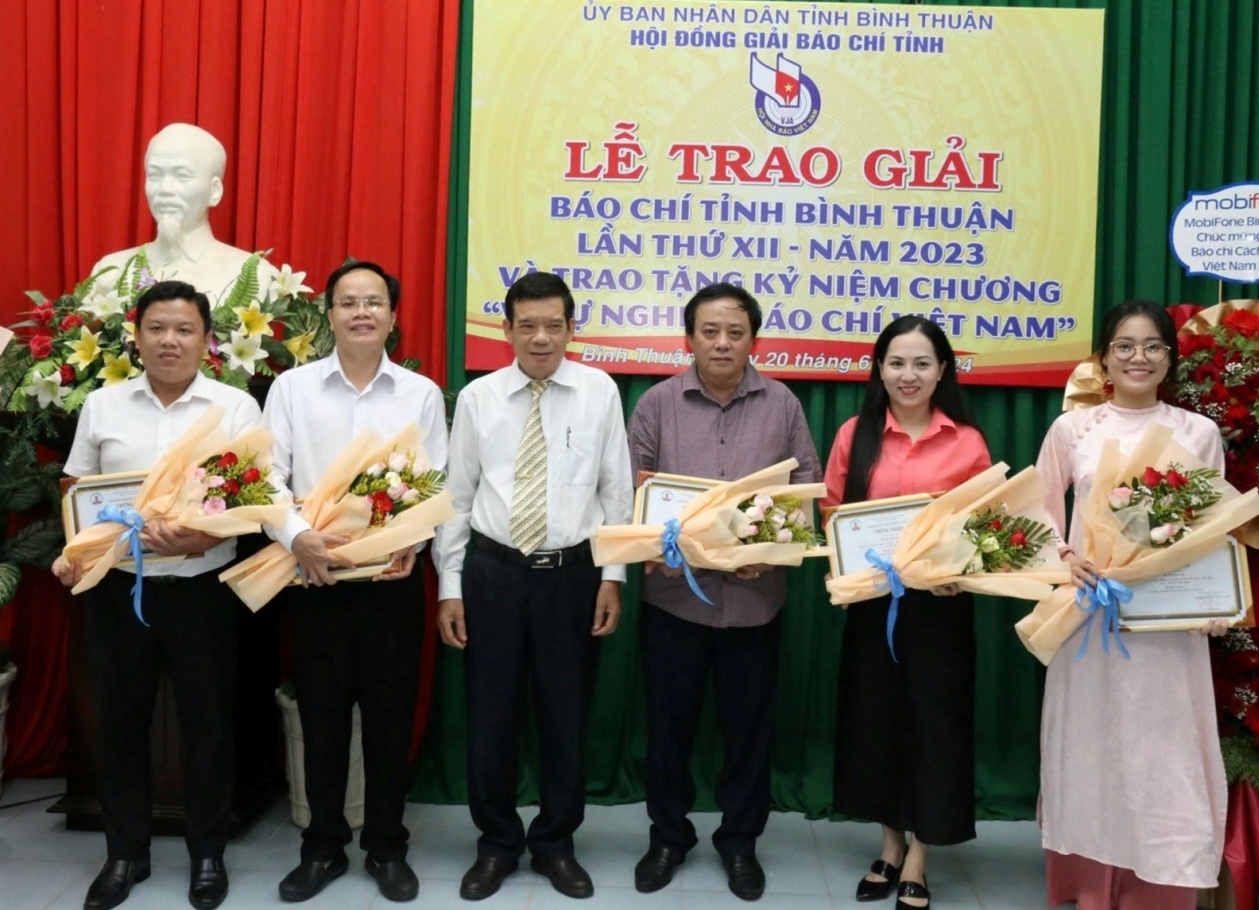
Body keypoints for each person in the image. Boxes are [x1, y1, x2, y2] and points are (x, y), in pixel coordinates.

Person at [53, 280, 263, 910]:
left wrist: (199, 536)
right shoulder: (104, 405)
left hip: (204, 593)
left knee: (210, 727)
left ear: (206, 340)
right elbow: (74, 485)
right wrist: (78, 546)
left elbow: (258, 497)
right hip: (119, 591)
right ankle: (126, 855)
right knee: (118, 725)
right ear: (137, 336)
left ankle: (207, 856)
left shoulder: (235, 409)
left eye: (184, 330)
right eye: (157, 329)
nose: (170, 341)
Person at [434, 271, 632, 901]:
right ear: (507, 330)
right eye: (528, 325)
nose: (541, 338)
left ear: (572, 328)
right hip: (492, 575)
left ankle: (555, 843)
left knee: (565, 715)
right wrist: (450, 585)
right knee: (490, 716)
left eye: (554, 325)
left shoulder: (600, 392)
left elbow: (615, 492)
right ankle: (495, 843)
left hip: (570, 578)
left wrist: (613, 576)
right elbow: (456, 499)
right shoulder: (478, 398)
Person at [627, 283, 821, 902]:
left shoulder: (783, 404)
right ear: (689, 338)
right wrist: (653, 541)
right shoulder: (657, 404)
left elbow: (807, 495)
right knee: (668, 729)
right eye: (709, 331)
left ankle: (740, 842)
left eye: (735, 333)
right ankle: (667, 838)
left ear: (752, 341)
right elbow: (632, 495)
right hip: (674, 605)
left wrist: (767, 555)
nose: (722, 343)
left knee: (749, 731)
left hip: (753, 603)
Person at [265, 260, 449, 903]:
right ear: (330, 314)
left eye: (374, 302)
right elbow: (267, 479)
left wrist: (415, 545)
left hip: (391, 584)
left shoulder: (418, 394)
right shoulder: (292, 388)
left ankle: (387, 846)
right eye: (348, 302)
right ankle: (322, 846)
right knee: (321, 719)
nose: (362, 312)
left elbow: (437, 481)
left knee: (391, 719)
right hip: (314, 580)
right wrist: (297, 538)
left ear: (394, 317)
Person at [1035, 300, 1227, 910]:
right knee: (1090, 753)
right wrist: (1067, 558)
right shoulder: (1073, 430)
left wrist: (1213, 602)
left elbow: (1212, 532)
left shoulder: (1199, 432)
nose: (1138, 357)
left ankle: (1162, 888)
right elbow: (1036, 515)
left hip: (1168, 633)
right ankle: (1091, 886)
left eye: (1151, 346)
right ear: (1102, 360)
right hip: (1093, 622)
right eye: (1124, 346)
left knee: (1163, 757)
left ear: (1170, 358)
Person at [821, 315, 991, 910]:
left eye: (922, 363)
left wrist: (959, 572)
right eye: (897, 362)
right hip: (873, 605)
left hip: (939, 613)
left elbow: (983, 528)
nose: (909, 375)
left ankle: (920, 856)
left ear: (943, 370)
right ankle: (888, 846)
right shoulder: (854, 434)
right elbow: (834, 515)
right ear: (879, 369)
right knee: (875, 723)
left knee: (933, 729)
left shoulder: (966, 442)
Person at [92, 123, 279, 303]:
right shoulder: (110, 271)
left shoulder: (256, 276)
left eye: (182, 176)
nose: (165, 189)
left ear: (214, 191)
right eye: (155, 175)